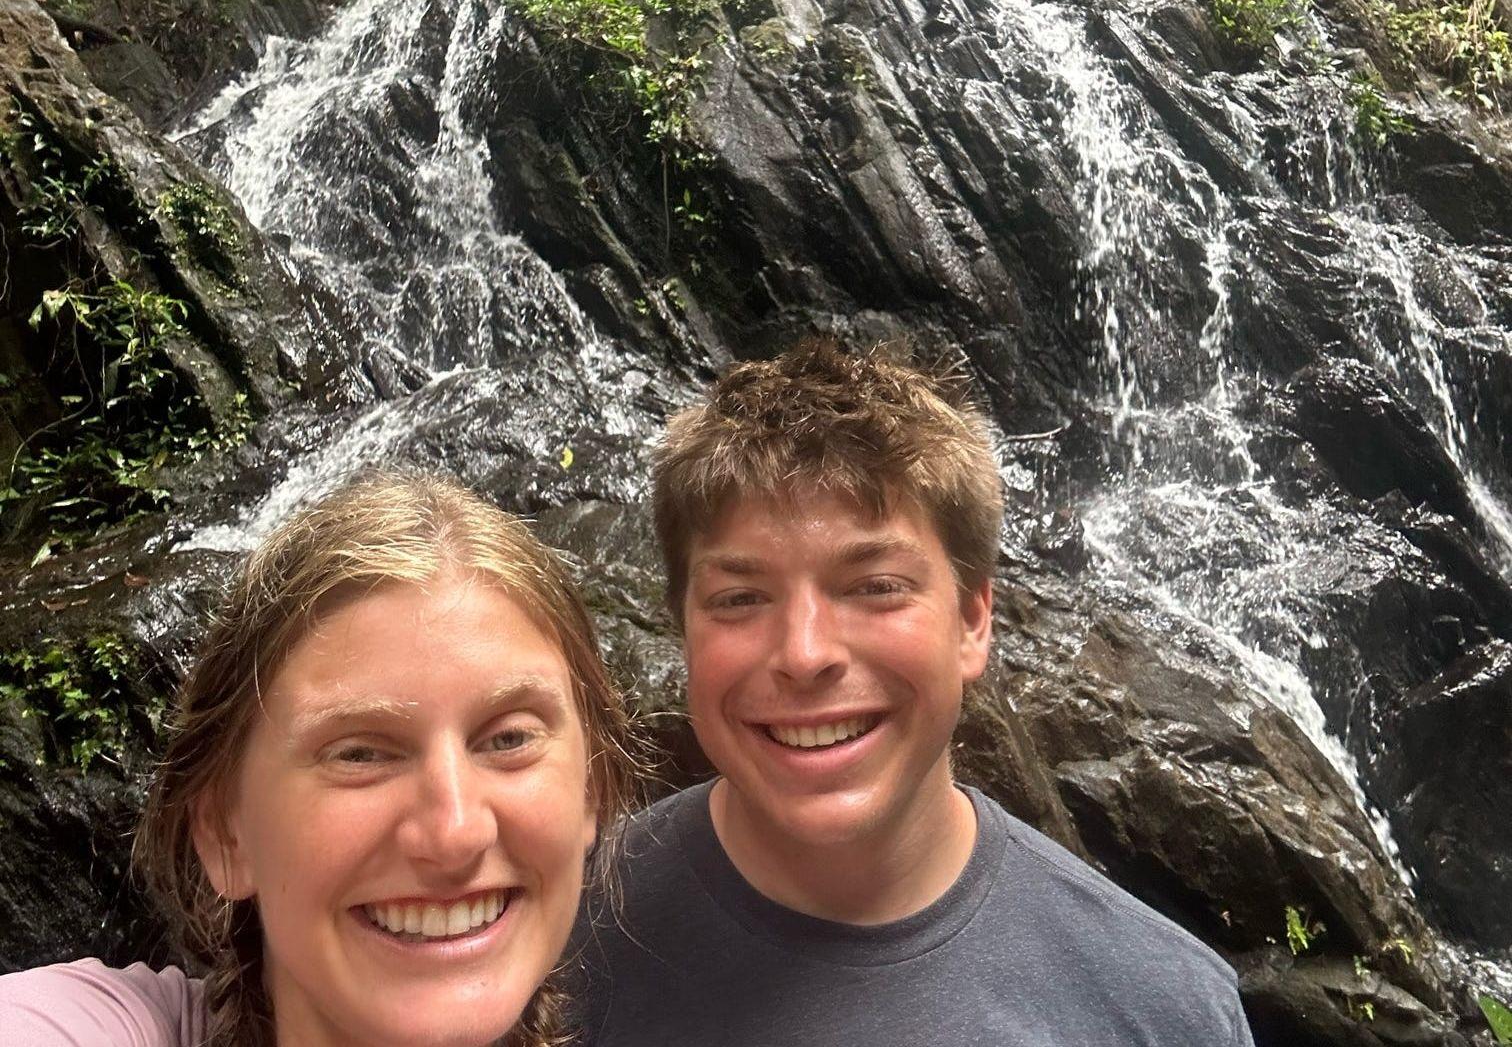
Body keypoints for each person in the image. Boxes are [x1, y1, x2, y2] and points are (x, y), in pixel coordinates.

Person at [572, 338, 1256, 1046]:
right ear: (682, 631)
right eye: (741, 598)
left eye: (876, 588)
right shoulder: (554, 944)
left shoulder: (1164, 1009)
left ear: (972, 620)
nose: (805, 654)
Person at [0, 471, 635, 1047]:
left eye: (508, 740)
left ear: (592, 789)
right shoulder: (90, 1025)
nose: (454, 832)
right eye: (359, 753)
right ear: (225, 833)